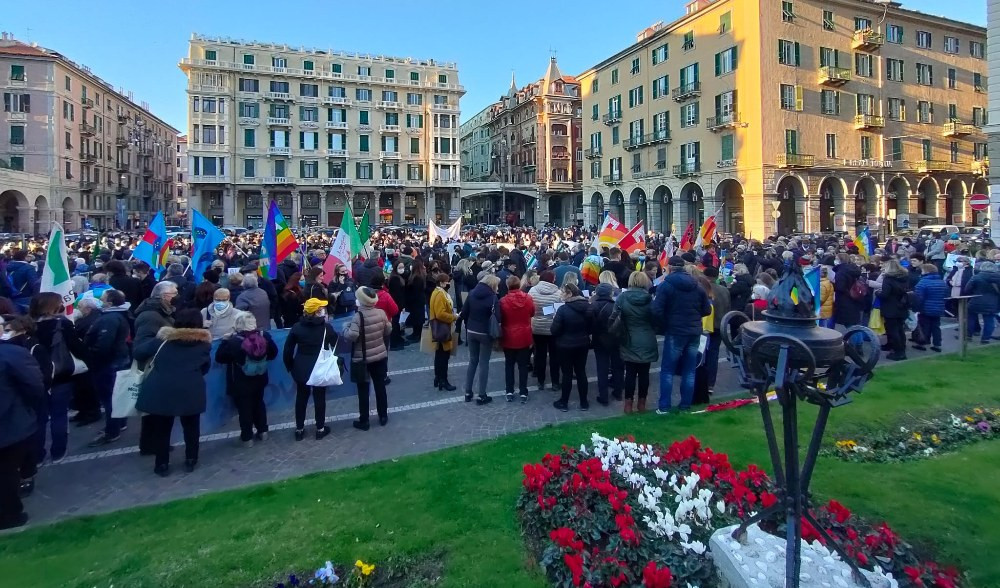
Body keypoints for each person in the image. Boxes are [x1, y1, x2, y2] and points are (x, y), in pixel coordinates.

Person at [134, 309, 211, 476]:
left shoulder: (162, 341)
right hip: (190, 388)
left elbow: (139, 352)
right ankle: (191, 458)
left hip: (162, 388)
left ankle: (162, 463)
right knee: (191, 427)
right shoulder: (203, 345)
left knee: (162, 428)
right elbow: (205, 367)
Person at [29, 293, 86, 465]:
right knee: (59, 415)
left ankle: (37, 455)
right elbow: (76, 347)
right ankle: (58, 451)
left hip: (34, 375)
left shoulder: (26, 325)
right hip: (60, 374)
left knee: (38, 418)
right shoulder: (63, 324)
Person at [651, 256, 711, 414]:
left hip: (675, 331)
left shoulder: (666, 286)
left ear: (670, 267)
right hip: (694, 331)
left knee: (668, 370)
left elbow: (656, 310)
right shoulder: (697, 286)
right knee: (689, 370)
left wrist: (665, 324)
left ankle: (664, 406)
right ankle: (685, 405)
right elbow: (707, 310)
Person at [0, 334, 45, 530]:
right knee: (6, 472)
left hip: (12, 421)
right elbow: (35, 386)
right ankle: (8, 515)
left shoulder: (11, 354)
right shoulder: (12, 354)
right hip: (10, 423)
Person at [215, 313, 278, 446]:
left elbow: (220, 357)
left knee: (244, 409)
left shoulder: (234, 342)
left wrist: (224, 341)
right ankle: (263, 431)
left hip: (240, 381)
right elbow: (273, 353)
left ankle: (247, 437)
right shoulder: (264, 336)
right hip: (260, 377)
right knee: (259, 403)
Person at [282, 298, 336, 441]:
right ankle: (320, 428)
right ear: (317, 312)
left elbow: (287, 350)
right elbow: (334, 341)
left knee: (301, 398)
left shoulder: (297, 327)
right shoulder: (326, 328)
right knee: (319, 398)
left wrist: (290, 366)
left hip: (301, 367)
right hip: (320, 367)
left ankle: (299, 429)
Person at [85, 290, 132, 447]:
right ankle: (120, 422)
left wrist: (91, 354)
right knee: (117, 395)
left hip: (109, 363)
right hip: (119, 359)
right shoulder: (120, 314)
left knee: (110, 398)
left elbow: (104, 344)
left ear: (110, 303)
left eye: (103, 299)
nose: (101, 301)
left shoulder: (110, 319)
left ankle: (112, 431)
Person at [343, 287, 392, 430]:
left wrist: (345, 328)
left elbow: (352, 336)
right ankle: (383, 415)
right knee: (380, 387)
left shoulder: (358, 317)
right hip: (380, 356)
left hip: (363, 358)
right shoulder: (381, 313)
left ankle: (364, 420)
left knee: (363, 391)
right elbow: (388, 329)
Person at [616, 271, 658, 414]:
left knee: (630, 373)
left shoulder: (622, 298)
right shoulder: (649, 299)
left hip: (629, 337)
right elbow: (655, 319)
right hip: (647, 338)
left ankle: (628, 404)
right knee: (644, 373)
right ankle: (642, 403)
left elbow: (614, 316)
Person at [460, 274, 502, 405]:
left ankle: (468, 392)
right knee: (484, 363)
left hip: (471, 330)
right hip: (485, 332)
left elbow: (464, 312)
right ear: (492, 285)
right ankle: (481, 395)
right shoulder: (493, 298)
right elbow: (498, 318)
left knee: (473, 361)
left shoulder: (472, 293)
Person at [551, 283, 592, 412]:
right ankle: (584, 402)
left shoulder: (563, 310)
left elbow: (554, 330)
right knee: (581, 372)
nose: (561, 295)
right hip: (582, 343)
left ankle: (564, 401)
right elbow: (592, 326)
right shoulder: (587, 307)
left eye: (563, 292)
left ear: (569, 294)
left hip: (565, 345)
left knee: (567, 373)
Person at [499, 275, 535, 403]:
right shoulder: (528, 298)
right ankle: (523, 391)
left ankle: (509, 390)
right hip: (524, 335)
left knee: (509, 364)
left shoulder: (503, 301)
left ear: (508, 286)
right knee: (523, 365)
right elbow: (532, 312)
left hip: (509, 335)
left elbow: (501, 317)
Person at [589, 280, 622, 406]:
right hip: (615, 339)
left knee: (602, 368)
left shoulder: (592, 306)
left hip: (599, 340)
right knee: (617, 366)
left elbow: (590, 324)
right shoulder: (615, 305)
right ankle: (618, 392)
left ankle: (603, 396)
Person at [528, 270, 562, 391]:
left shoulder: (532, 291)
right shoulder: (558, 293)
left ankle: (540, 381)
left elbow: (530, 309)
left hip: (537, 327)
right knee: (554, 356)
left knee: (540, 355)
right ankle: (555, 382)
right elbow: (559, 311)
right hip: (553, 328)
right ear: (552, 279)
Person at [428, 272, 458, 391]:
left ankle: (438, 378)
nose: (449, 283)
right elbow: (440, 314)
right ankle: (443, 380)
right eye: (447, 281)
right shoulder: (440, 294)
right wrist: (454, 317)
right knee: (443, 356)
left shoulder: (437, 292)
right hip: (443, 328)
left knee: (440, 354)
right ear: (441, 282)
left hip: (439, 328)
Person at [878, 259, 911, 361]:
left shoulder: (888, 279)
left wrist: (877, 293)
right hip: (901, 306)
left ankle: (899, 352)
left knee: (893, 330)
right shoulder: (904, 277)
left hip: (891, 307)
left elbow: (885, 294)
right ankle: (897, 347)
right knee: (899, 329)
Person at [913, 263, 946, 352]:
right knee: (936, 327)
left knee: (924, 326)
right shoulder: (941, 281)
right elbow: (945, 294)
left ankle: (922, 343)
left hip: (925, 308)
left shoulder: (923, 282)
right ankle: (937, 344)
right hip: (938, 307)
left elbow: (919, 297)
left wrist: (916, 308)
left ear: (926, 271)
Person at [964, 261, 1000, 343]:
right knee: (989, 320)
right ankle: (985, 339)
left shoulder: (976, 277)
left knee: (971, 318)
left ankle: (968, 335)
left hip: (976, 300)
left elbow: (967, 289)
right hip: (993, 302)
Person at [833, 253, 865, 328]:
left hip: (845, 300)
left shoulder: (841, 271)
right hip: (855, 298)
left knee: (850, 325)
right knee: (854, 323)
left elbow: (840, 287)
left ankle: (856, 339)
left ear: (840, 260)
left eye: (836, 258)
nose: (835, 260)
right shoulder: (853, 269)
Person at [404, 259, 427, 342]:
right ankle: (415, 333)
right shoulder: (419, 275)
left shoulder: (417, 278)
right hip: (417, 300)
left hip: (416, 300)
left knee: (417, 318)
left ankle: (417, 335)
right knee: (417, 318)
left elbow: (416, 290)